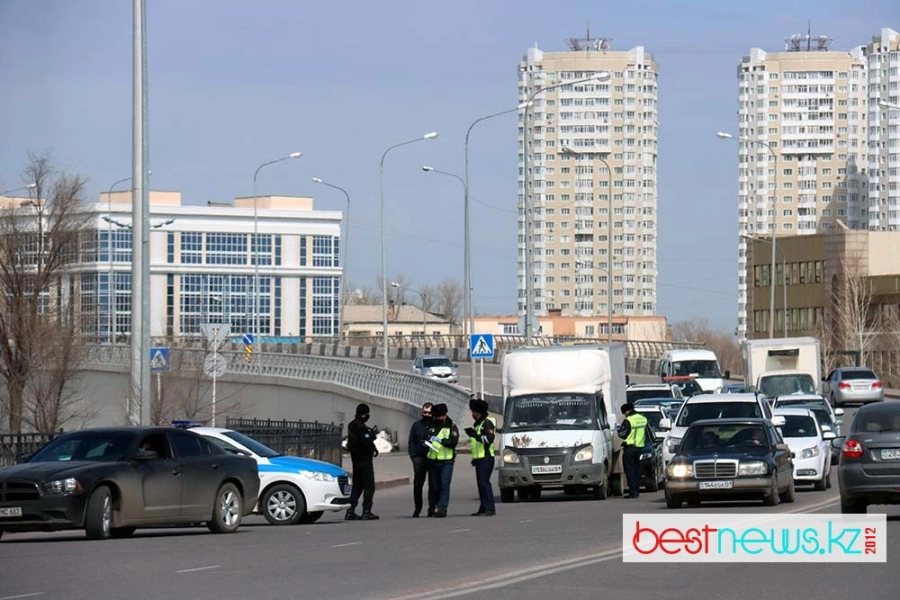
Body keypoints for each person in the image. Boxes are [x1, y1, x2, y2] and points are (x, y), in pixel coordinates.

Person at [345, 403, 380, 521]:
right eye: (367, 414)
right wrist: (372, 436)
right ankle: (366, 511)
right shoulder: (360, 427)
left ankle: (350, 511)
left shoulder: (352, 425)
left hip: (356, 461)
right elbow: (365, 441)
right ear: (364, 414)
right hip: (364, 461)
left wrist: (373, 445)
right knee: (369, 486)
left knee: (357, 487)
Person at [425, 403, 459, 518]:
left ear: (444, 416)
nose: (437, 419)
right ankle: (432, 507)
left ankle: (442, 508)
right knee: (434, 486)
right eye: (436, 417)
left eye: (439, 417)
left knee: (444, 484)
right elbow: (427, 437)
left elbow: (453, 442)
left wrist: (442, 441)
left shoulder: (451, 426)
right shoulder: (432, 425)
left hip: (446, 460)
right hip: (433, 460)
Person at [464, 398, 496, 516]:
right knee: (481, 483)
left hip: (486, 457)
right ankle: (484, 507)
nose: (472, 414)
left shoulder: (486, 423)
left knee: (484, 483)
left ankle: (489, 508)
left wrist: (476, 436)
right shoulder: (478, 424)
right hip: (480, 458)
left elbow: (489, 439)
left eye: (473, 412)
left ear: (478, 412)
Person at [407, 402, 435, 518]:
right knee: (418, 484)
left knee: (433, 485)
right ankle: (417, 508)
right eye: (425, 412)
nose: (427, 414)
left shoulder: (435, 425)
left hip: (432, 457)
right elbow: (411, 442)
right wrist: (414, 456)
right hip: (419, 458)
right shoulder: (416, 425)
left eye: (429, 413)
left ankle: (432, 508)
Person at [617, 403, 649, 499]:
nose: (624, 415)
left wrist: (618, 429)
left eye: (624, 413)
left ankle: (633, 492)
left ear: (627, 411)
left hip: (630, 447)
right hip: (639, 447)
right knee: (636, 469)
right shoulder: (643, 419)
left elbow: (623, 434)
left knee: (630, 470)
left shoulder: (628, 421)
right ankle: (637, 490)